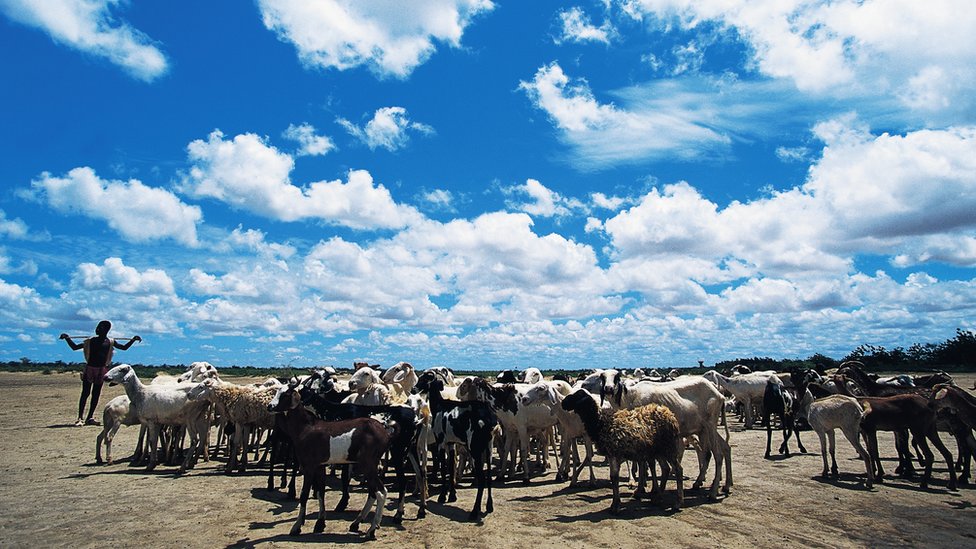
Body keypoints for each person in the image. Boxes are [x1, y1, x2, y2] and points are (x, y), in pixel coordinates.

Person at [60, 321, 141, 426]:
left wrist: (133, 340)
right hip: (90, 368)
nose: (97, 329)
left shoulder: (110, 342)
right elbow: (74, 347)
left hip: (102, 370)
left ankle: (90, 417)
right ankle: (80, 418)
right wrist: (67, 338)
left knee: (96, 394)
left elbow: (124, 348)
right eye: (97, 327)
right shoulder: (90, 341)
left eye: (100, 328)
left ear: (106, 330)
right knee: (85, 393)